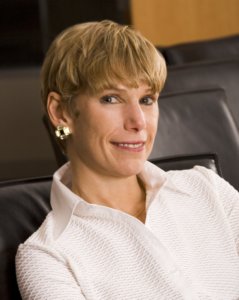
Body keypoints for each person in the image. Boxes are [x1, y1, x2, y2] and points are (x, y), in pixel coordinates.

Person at [16, 20, 239, 300]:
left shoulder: (207, 189)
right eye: (111, 99)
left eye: (146, 99)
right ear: (61, 112)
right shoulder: (48, 258)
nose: (138, 122)